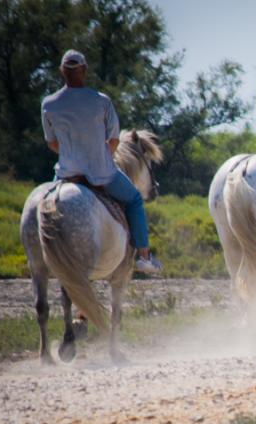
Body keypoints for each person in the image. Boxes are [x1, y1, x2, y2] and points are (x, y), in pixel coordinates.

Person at [41, 49, 162, 274]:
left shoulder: (48, 103)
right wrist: (98, 154)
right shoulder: (102, 101)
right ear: (84, 71)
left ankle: (40, 252)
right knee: (135, 200)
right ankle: (144, 256)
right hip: (101, 173)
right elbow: (114, 140)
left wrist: (72, 154)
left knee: (45, 204)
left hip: (66, 173)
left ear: (61, 72)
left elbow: (52, 144)